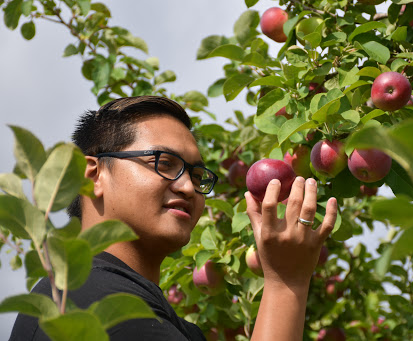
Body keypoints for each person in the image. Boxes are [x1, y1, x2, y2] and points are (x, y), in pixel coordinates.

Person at [9, 96, 337, 340]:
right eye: (164, 162)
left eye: (197, 175)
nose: (188, 187)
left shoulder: (167, 323)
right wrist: (284, 284)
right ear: (92, 176)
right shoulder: (90, 299)